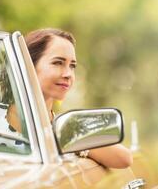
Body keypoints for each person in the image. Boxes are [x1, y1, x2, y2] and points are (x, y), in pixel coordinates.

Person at [24, 28, 133, 168]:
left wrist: (72, 138)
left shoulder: (62, 129)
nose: (68, 73)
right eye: (58, 62)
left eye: (72, 66)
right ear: (29, 65)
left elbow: (124, 159)